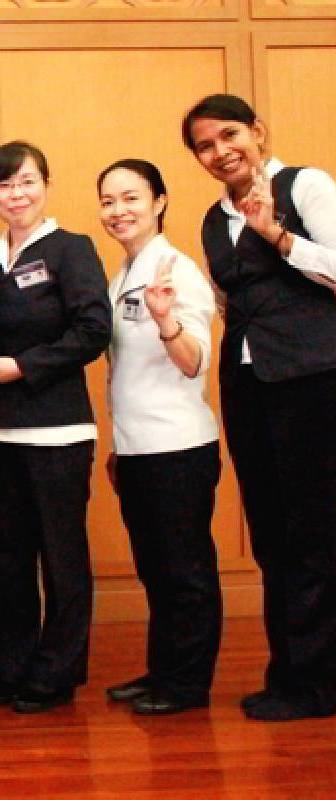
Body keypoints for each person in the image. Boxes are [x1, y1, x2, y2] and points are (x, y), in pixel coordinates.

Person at [184, 94, 336, 721]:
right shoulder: (211, 221)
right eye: (205, 145)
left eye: (230, 135)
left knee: (318, 534)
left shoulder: (307, 186)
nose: (221, 151)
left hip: (314, 380)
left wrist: (277, 235)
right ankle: (293, 675)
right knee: (273, 536)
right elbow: (226, 302)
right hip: (250, 387)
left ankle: (319, 684)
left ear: (258, 132)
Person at [0, 141, 111, 713]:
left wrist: (26, 366)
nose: (15, 194)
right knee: (7, 556)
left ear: (45, 184)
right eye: (3, 185)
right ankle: (16, 667)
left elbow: (94, 330)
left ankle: (57, 671)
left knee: (61, 554)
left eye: (25, 182)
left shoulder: (72, 249)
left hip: (55, 429)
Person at [97, 158, 221, 715]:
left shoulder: (177, 270)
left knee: (186, 571)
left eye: (130, 198)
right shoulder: (122, 272)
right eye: (108, 201)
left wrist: (167, 321)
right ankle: (163, 671)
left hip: (179, 449)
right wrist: (119, 449)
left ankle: (188, 686)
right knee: (156, 569)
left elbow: (195, 364)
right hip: (138, 449)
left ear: (160, 201)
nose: (118, 211)